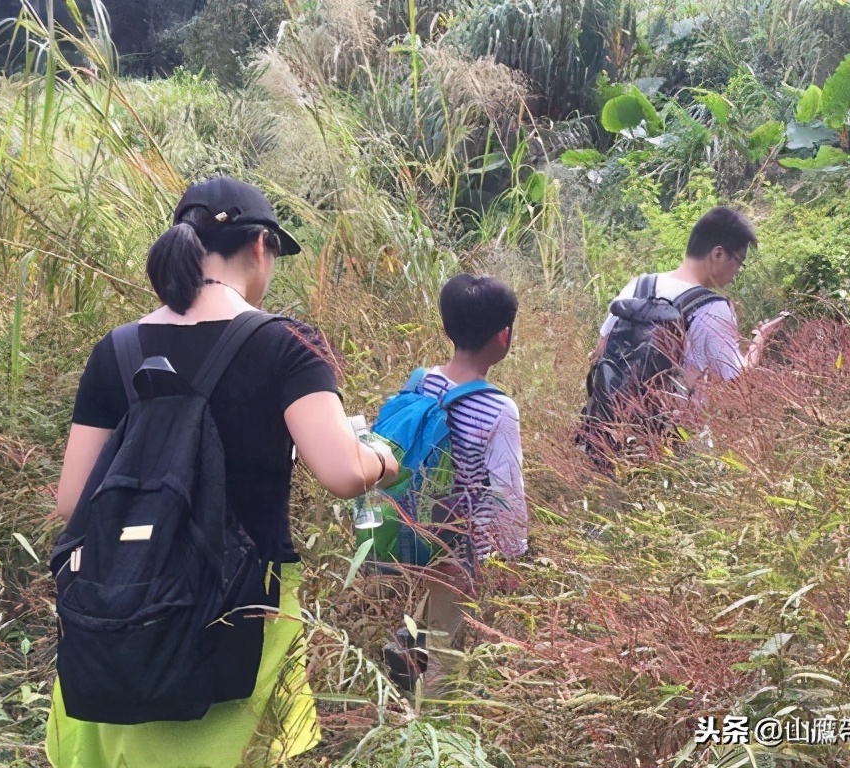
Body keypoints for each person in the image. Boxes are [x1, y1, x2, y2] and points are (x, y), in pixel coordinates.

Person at [45, 176, 399, 768]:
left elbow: (72, 501)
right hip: (238, 616)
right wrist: (383, 461)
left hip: (118, 618)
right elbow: (343, 472)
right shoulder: (285, 344)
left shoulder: (117, 349)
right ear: (261, 245)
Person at [384, 273, 528, 690]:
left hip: (412, 526)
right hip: (458, 545)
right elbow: (506, 491)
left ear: (447, 327)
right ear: (504, 336)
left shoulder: (422, 381)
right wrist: (513, 553)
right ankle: (423, 723)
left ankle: (403, 654)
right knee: (445, 650)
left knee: (430, 611)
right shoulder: (498, 408)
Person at [591, 206, 786, 386]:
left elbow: (600, 353)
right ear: (718, 254)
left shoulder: (639, 284)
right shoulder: (713, 308)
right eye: (738, 261)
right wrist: (760, 339)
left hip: (610, 419)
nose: (737, 271)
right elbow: (738, 381)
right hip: (672, 423)